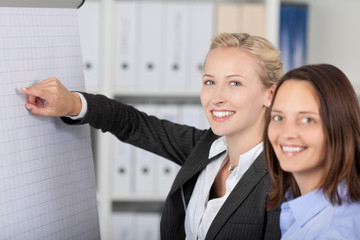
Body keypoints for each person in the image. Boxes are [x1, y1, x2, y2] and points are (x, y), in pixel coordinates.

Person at [21, 33, 284, 240]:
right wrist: (73, 104)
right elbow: (134, 125)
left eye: (235, 83)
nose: (217, 97)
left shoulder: (283, 176)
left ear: (269, 94)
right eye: (209, 81)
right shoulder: (207, 149)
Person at [264, 64, 360, 239]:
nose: (287, 133)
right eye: (278, 117)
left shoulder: (334, 232)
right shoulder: (302, 207)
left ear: (339, 126)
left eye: (307, 119)